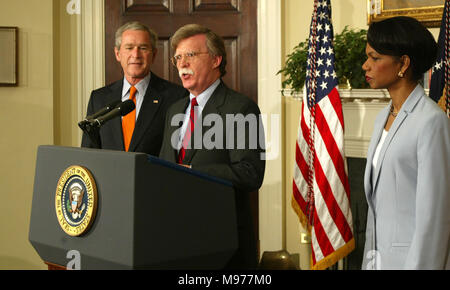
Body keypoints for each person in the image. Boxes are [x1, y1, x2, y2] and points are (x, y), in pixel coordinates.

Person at [159, 24, 265, 269]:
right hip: (172, 243)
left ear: (216, 59)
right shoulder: (174, 110)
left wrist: (192, 171)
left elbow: (251, 173)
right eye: (178, 57)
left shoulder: (240, 108)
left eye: (191, 55)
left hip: (221, 246)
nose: (182, 63)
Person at [361, 16, 450, 270]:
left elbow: (434, 220)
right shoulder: (381, 118)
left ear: (403, 63)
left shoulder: (432, 122)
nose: (365, 66)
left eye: (375, 58)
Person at [81, 21, 187, 155]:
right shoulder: (99, 98)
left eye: (143, 48)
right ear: (117, 54)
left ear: (153, 54)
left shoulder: (176, 97)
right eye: (129, 48)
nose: (136, 55)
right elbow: (88, 152)